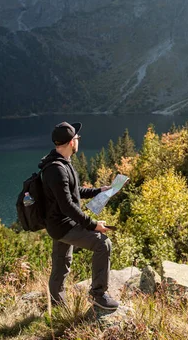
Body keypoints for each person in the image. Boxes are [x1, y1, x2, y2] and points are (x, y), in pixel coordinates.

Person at [39, 121, 119, 310]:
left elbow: (74, 191)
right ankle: (98, 295)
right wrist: (93, 225)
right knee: (102, 243)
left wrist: (99, 190)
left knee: (62, 263)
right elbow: (67, 205)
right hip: (64, 225)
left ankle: (58, 306)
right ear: (70, 142)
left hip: (59, 224)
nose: (78, 140)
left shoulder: (61, 163)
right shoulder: (56, 169)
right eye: (77, 138)